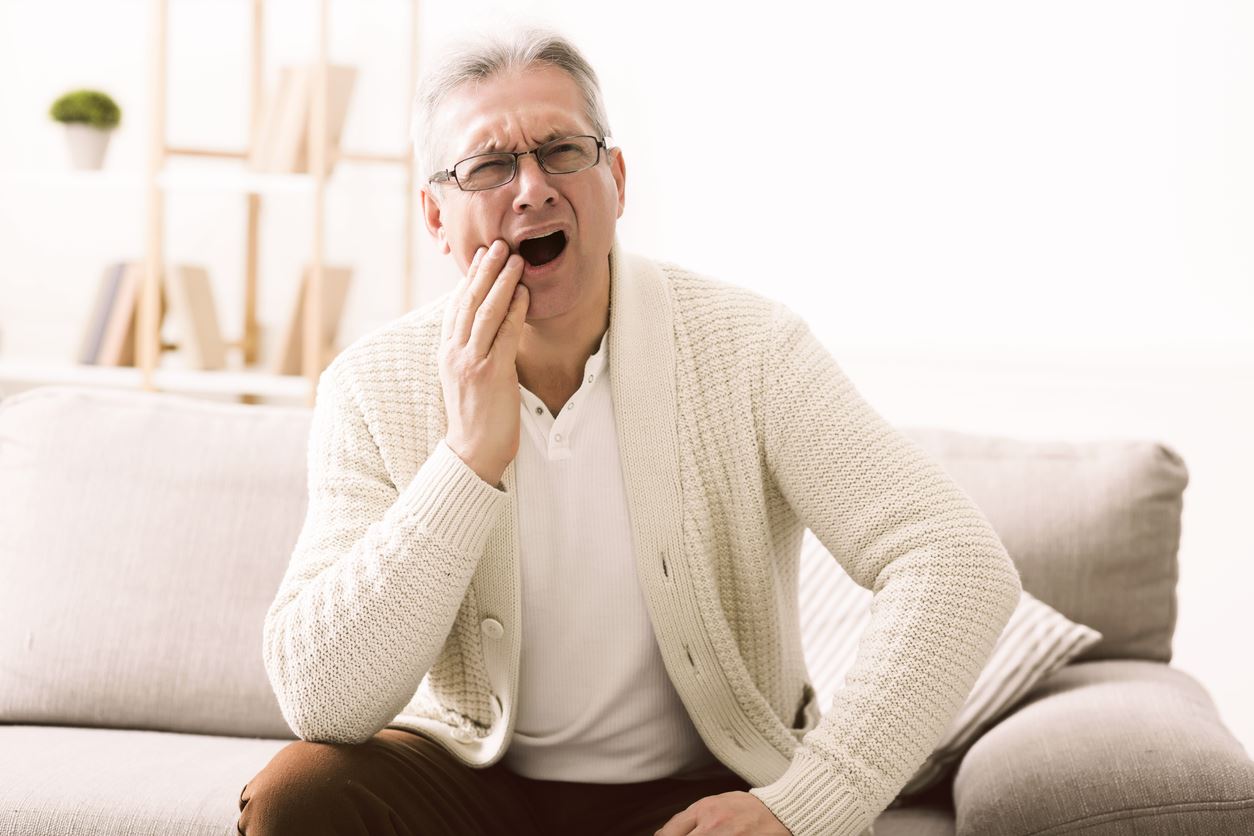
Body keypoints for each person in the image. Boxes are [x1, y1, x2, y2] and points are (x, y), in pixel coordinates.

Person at [237, 25, 1022, 836]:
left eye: (562, 152)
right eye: (489, 166)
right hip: (474, 785)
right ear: (437, 215)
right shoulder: (370, 385)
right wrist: (468, 458)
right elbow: (319, 697)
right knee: (301, 796)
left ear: (616, 179)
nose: (533, 188)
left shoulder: (751, 349)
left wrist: (804, 806)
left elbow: (956, 563)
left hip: (691, 791)